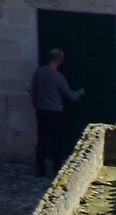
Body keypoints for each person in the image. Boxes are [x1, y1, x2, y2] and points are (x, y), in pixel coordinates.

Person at [29, 47, 81, 177]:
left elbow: (33, 91)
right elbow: (70, 95)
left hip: (41, 110)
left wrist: (36, 104)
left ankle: (40, 169)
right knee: (57, 140)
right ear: (60, 60)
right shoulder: (58, 77)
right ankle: (56, 168)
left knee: (42, 140)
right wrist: (81, 91)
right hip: (55, 112)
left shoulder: (38, 72)